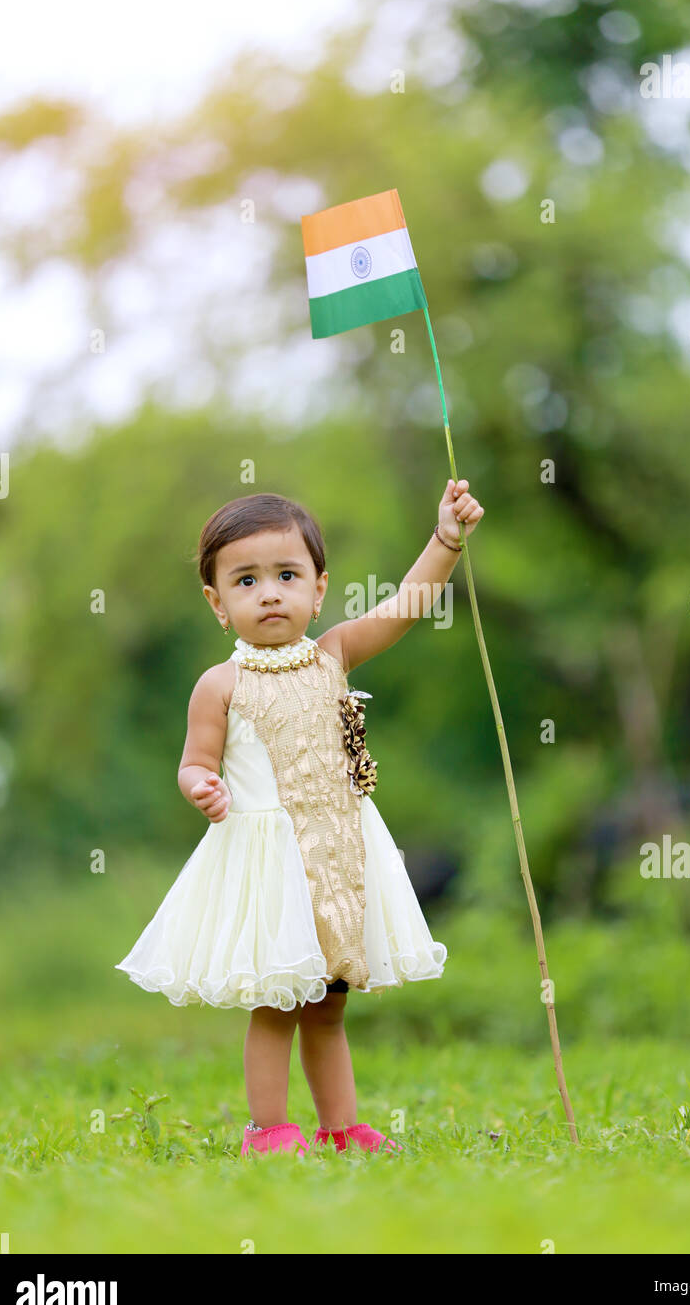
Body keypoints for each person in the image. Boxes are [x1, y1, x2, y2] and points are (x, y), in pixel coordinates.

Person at [115, 477, 484, 1159]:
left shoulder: (334, 654)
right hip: (271, 864)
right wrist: (202, 787)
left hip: (339, 853)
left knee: (330, 1001)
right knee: (279, 1000)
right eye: (246, 580)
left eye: (287, 574)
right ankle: (269, 1128)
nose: (270, 593)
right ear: (217, 603)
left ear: (318, 589)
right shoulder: (220, 685)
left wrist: (446, 541)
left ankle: (341, 1126)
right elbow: (195, 761)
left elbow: (405, 607)